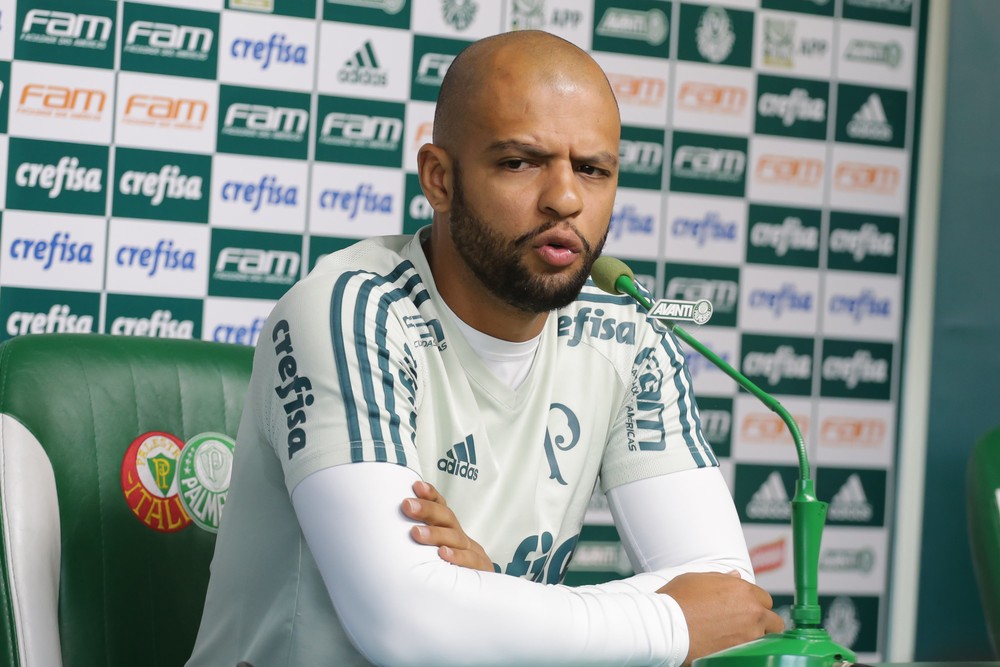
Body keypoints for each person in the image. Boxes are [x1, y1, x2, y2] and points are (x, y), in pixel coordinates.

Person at [187, 30, 783, 667]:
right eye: (520, 162)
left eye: (592, 170)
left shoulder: (627, 334)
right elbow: (405, 623)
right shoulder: (348, 309)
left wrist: (483, 595)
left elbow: (727, 603)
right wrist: (665, 621)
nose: (566, 198)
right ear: (440, 179)